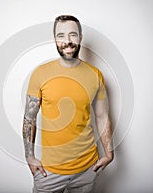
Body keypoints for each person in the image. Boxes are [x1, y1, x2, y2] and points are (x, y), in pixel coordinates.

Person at [22, 15, 114, 193]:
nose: (67, 41)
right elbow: (29, 119)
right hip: (49, 171)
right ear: (55, 39)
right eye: (61, 35)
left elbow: (102, 116)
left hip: (88, 168)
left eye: (73, 35)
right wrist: (29, 156)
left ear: (80, 37)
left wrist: (109, 153)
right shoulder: (40, 74)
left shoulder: (95, 74)